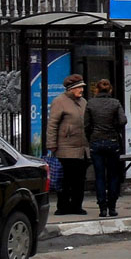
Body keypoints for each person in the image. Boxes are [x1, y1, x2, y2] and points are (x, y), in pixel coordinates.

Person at [46, 74, 89, 215]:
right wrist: (51, 144)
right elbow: (52, 124)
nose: (82, 90)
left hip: (82, 148)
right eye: (79, 87)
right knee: (66, 179)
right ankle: (63, 206)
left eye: (82, 87)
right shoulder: (60, 101)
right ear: (71, 89)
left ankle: (77, 206)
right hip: (66, 148)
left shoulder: (83, 102)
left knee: (79, 179)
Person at [84, 78, 127, 217]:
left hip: (96, 142)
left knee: (100, 176)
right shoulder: (115, 103)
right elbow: (123, 120)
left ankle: (102, 207)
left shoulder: (91, 104)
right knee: (113, 175)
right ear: (110, 89)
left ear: (96, 89)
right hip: (112, 142)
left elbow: (86, 125)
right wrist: (114, 128)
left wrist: (91, 136)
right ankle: (112, 207)